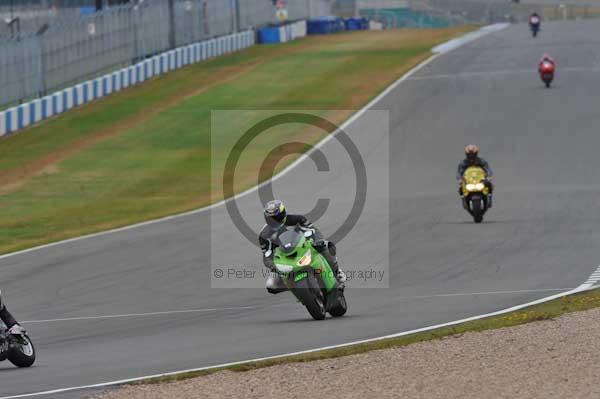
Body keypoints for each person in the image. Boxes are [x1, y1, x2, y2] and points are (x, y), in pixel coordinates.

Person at [259, 200, 346, 294]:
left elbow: (314, 231)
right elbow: (266, 255)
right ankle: (294, 287)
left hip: (303, 248)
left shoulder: (297, 219)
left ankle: (336, 272)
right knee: (271, 285)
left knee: (327, 245)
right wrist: (274, 265)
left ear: (283, 213)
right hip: (284, 260)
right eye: (271, 219)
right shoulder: (264, 235)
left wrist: (317, 241)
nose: (274, 221)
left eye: (277, 217)